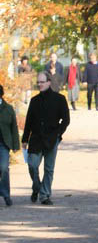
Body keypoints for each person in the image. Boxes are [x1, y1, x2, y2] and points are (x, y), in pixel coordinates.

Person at [21, 71, 70, 205]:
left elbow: (66, 120)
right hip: (36, 139)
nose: (39, 84)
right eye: (38, 82)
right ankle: (37, 187)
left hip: (51, 139)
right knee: (32, 165)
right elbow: (29, 122)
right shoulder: (34, 101)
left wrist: (58, 134)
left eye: (42, 82)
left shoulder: (59, 99)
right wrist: (25, 139)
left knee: (49, 169)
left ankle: (44, 195)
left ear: (49, 82)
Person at [0, 85, 20, 207]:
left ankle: (6, 194)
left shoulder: (8, 108)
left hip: (3, 144)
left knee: (3, 168)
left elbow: (14, 127)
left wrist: (16, 144)